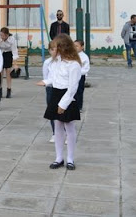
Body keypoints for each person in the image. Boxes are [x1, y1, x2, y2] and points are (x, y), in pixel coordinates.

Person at [37, 34, 82, 171]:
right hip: (56, 94)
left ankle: (70, 158)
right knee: (57, 125)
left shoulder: (74, 65)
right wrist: (45, 82)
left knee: (69, 126)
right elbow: (54, 78)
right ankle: (59, 158)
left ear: (63, 47)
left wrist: (63, 105)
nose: (54, 49)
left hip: (67, 97)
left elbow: (72, 87)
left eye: (56, 47)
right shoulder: (56, 62)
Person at [0, 27, 18, 100]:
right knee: (0, 72)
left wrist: (15, 63)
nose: (2, 37)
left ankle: (9, 90)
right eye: (1, 35)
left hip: (8, 54)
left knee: (8, 72)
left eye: (3, 36)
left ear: (7, 35)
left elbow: (15, 51)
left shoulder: (12, 39)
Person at [73, 40, 90, 112]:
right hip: (72, 76)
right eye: (74, 46)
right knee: (72, 90)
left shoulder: (84, 57)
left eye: (77, 46)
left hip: (80, 76)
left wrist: (78, 72)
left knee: (79, 91)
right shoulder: (71, 55)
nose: (75, 47)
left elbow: (86, 69)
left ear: (82, 47)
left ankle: (79, 106)